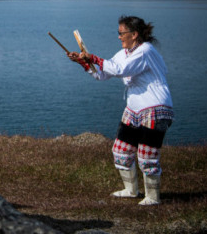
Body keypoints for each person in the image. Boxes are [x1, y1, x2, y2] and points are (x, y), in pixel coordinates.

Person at [68, 15, 174, 206]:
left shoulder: (145, 51)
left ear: (134, 34)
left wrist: (92, 57)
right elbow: (103, 74)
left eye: (121, 33)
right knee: (121, 151)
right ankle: (131, 190)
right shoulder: (124, 53)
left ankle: (153, 197)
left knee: (146, 155)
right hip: (134, 108)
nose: (118, 37)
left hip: (155, 108)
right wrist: (84, 63)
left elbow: (120, 70)